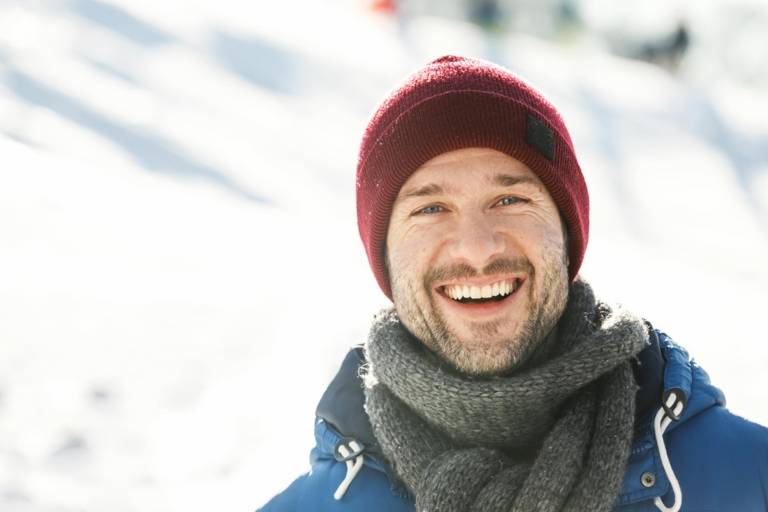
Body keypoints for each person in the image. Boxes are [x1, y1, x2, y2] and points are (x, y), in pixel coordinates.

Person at [257, 56, 768, 511]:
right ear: (384, 255)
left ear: (567, 234)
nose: (477, 247)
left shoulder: (752, 479)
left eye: (510, 200)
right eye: (431, 208)